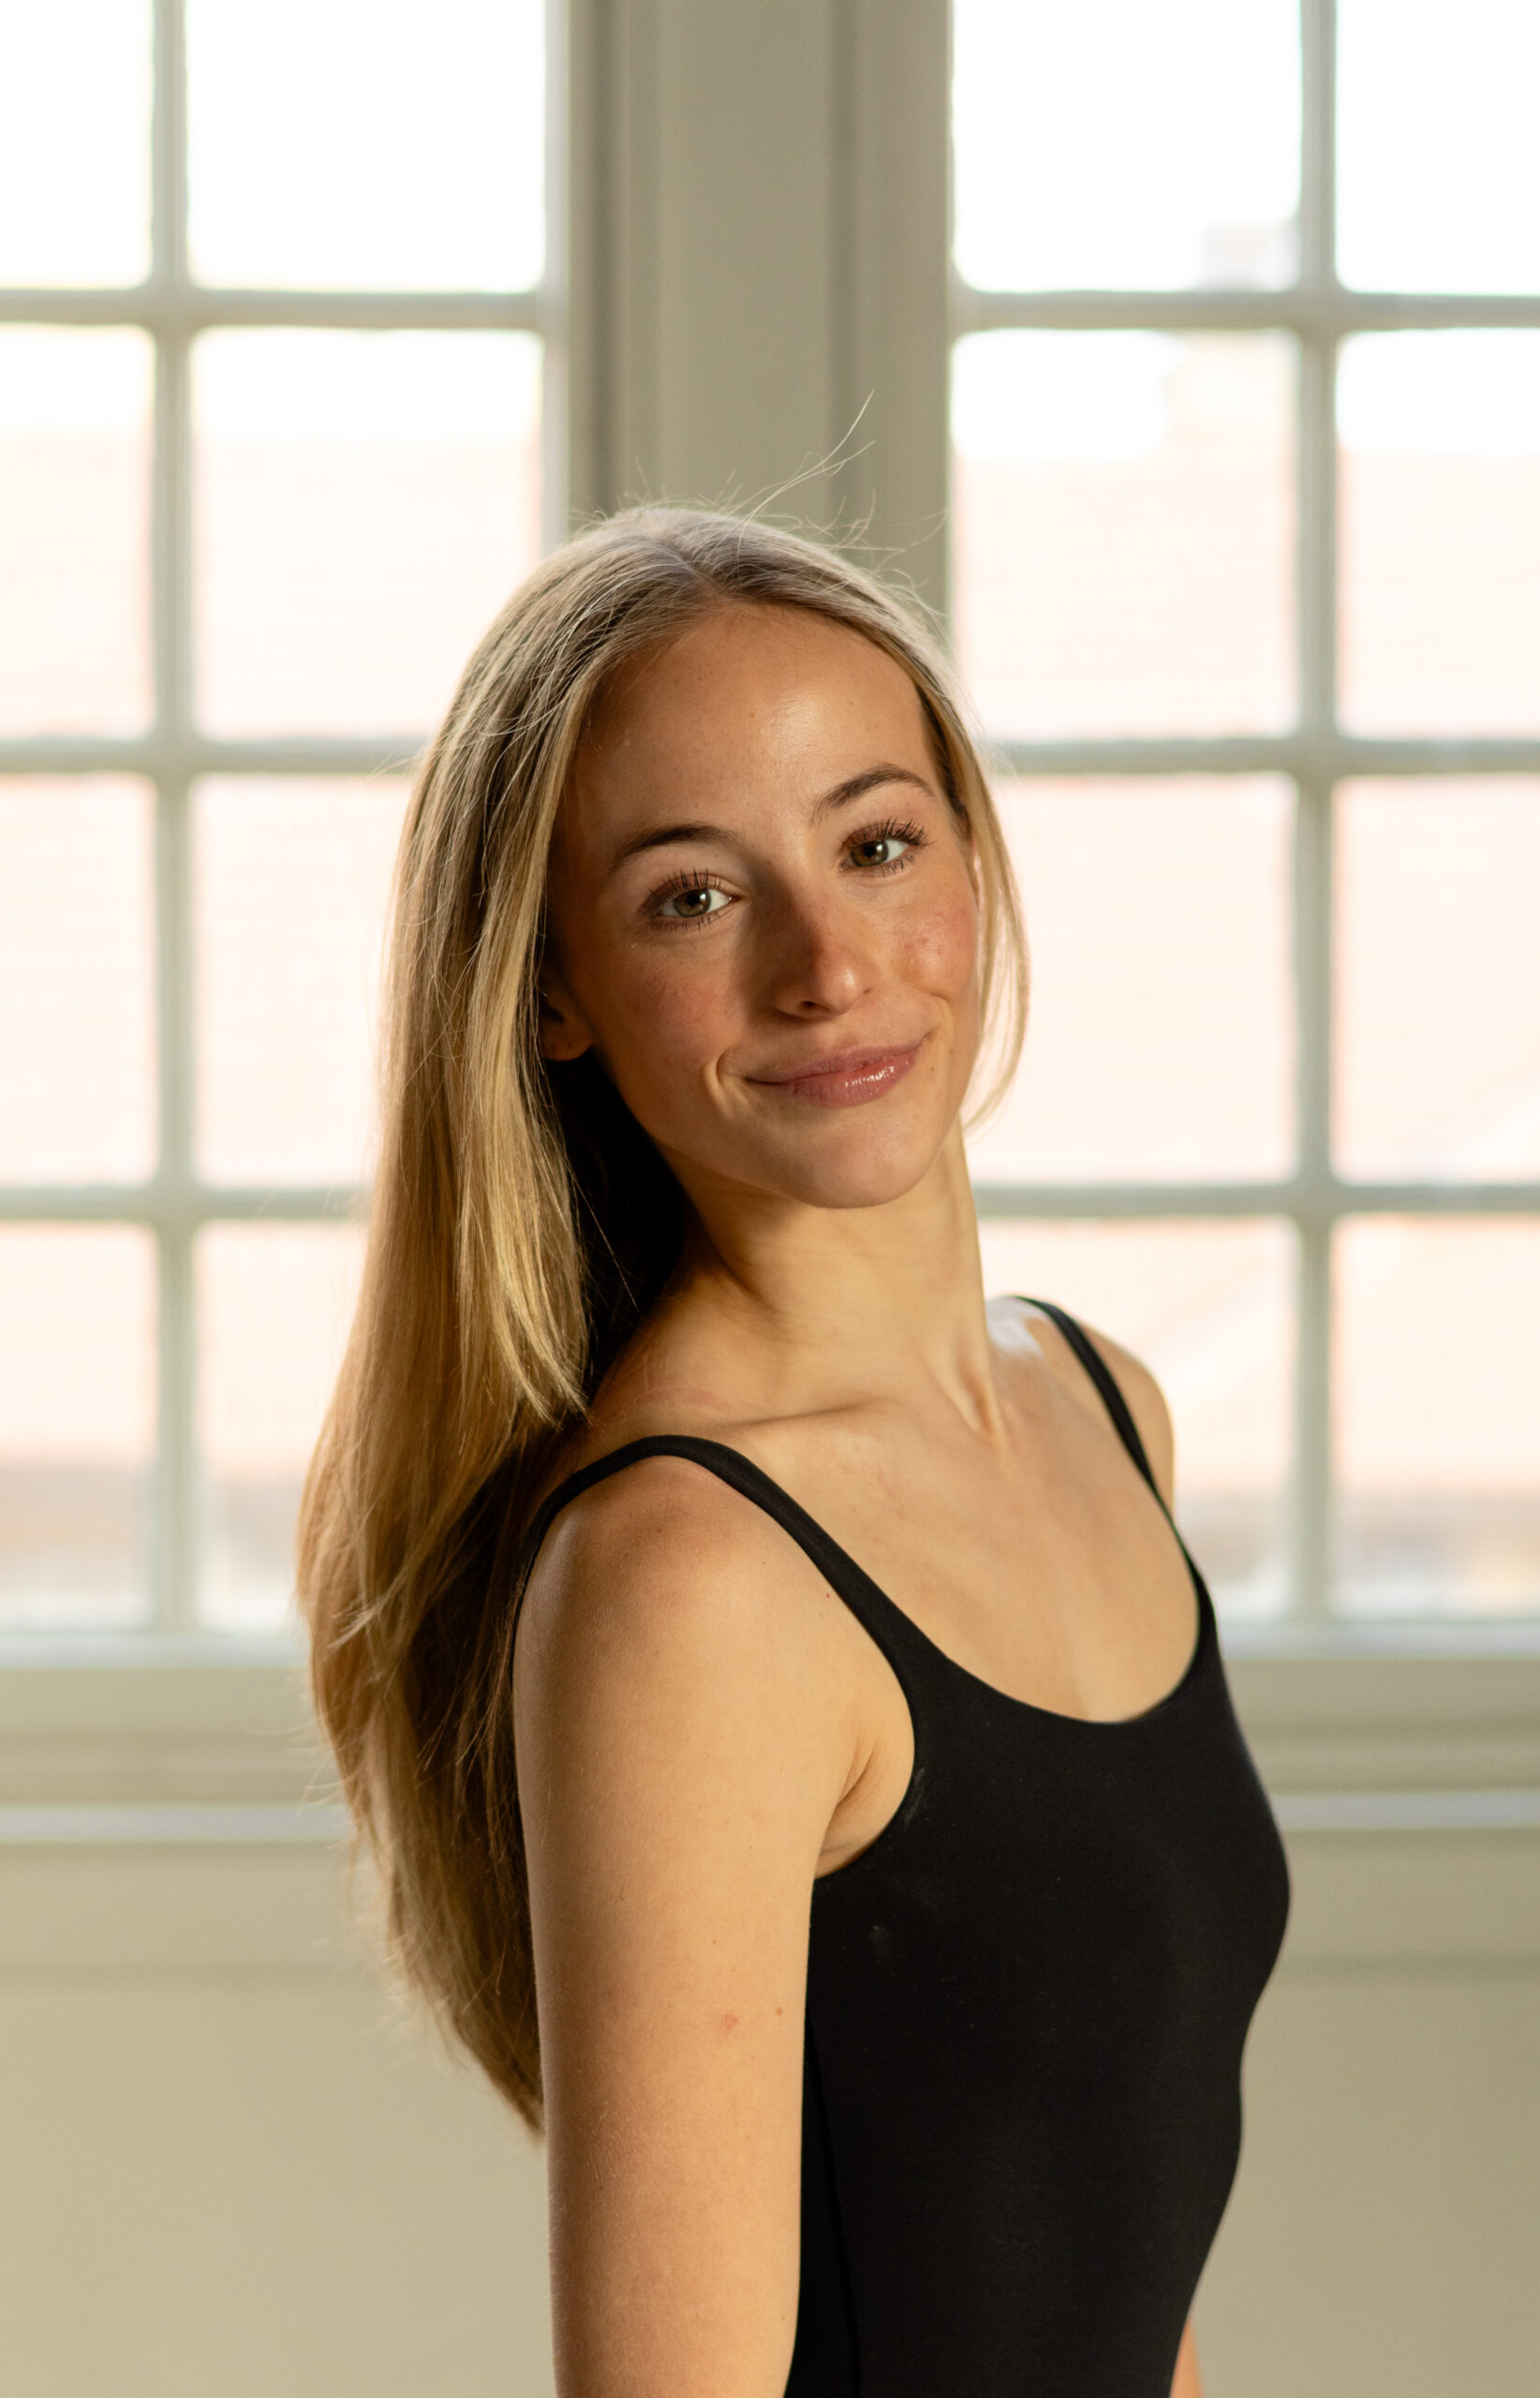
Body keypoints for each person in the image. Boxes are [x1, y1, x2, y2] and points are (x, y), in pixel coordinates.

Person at [299, 508, 1289, 2398]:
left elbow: (1117, 2232)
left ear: (973, 864)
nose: (826, 964)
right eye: (692, 894)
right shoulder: (689, 1584)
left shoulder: (1100, 1410)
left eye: (877, 843)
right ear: (553, 988)